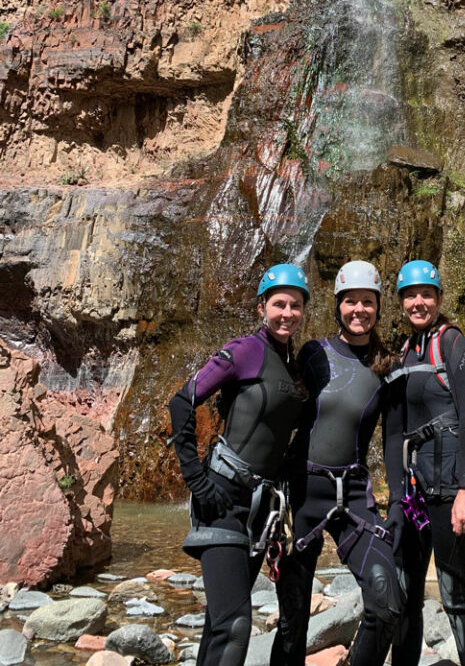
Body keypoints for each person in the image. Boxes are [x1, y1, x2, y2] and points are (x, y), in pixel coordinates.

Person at [168, 263, 309, 666]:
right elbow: (182, 401)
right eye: (279, 304)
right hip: (222, 496)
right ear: (262, 306)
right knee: (235, 625)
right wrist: (193, 474)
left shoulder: (291, 364)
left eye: (295, 305)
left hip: (261, 506)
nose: (287, 313)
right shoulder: (246, 350)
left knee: (219, 622)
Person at [270, 259, 403, 666]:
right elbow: (280, 408)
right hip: (303, 495)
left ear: (379, 308)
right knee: (293, 623)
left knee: (386, 605)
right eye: (350, 302)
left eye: (367, 301)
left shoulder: (388, 367)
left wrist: (397, 504)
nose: (359, 309)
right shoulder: (313, 354)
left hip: (355, 497)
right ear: (338, 306)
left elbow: (394, 439)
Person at [386, 259, 465, 666]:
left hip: (451, 489)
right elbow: (394, 431)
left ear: (439, 298)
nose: (418, 302)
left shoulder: (451, 343)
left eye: (426, 294)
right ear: (401, 302)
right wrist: (396, 496)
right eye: (410, 295)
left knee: (455, 594)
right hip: (416, 491)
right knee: (406, 594)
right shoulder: (405, 351)